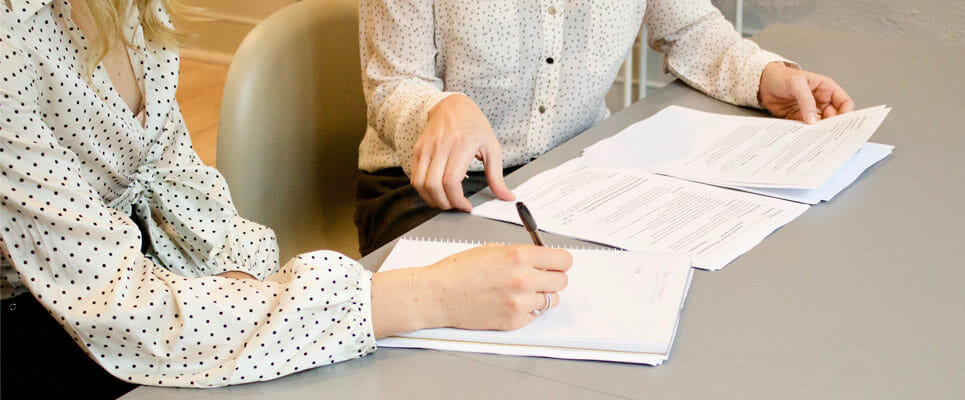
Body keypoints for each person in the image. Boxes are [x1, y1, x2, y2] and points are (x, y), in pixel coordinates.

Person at [0, 0, 572, 397]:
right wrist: (428, 297)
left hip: (132, 284)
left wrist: (244, 279)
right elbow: (124, 310)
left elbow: (177, 183)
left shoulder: (133, 13)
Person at [355, 0, 856, 255]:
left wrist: (767, 76)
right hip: (427, 186)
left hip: (574, 171)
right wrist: (439, 109)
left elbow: (690, 28)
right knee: (505, 311)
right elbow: (392, 81)